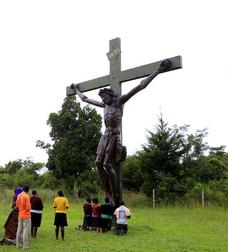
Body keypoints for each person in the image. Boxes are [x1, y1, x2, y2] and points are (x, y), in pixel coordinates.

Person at [72, 59, 171, 205]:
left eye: (105, 97)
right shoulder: (103, 105)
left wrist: (157, 71)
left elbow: (140, 86)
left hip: (114, 135)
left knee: (107, 164)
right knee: (98, 163)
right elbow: (86, 99)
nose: (103, 100)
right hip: (104, 136)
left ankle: (115, 194)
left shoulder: (119, 102)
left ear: (111, 96)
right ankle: (108, 192)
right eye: (102, 98)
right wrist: (76, 90)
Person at [15, 185, 31, 249]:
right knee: (25, 230)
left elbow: (16, 205)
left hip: (20, 214)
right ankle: (25, 246)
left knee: (19, 230)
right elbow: (28, 207)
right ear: (28, 190)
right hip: (26, 215)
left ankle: (18, 244)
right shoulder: (26, 196)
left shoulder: (19, 195)